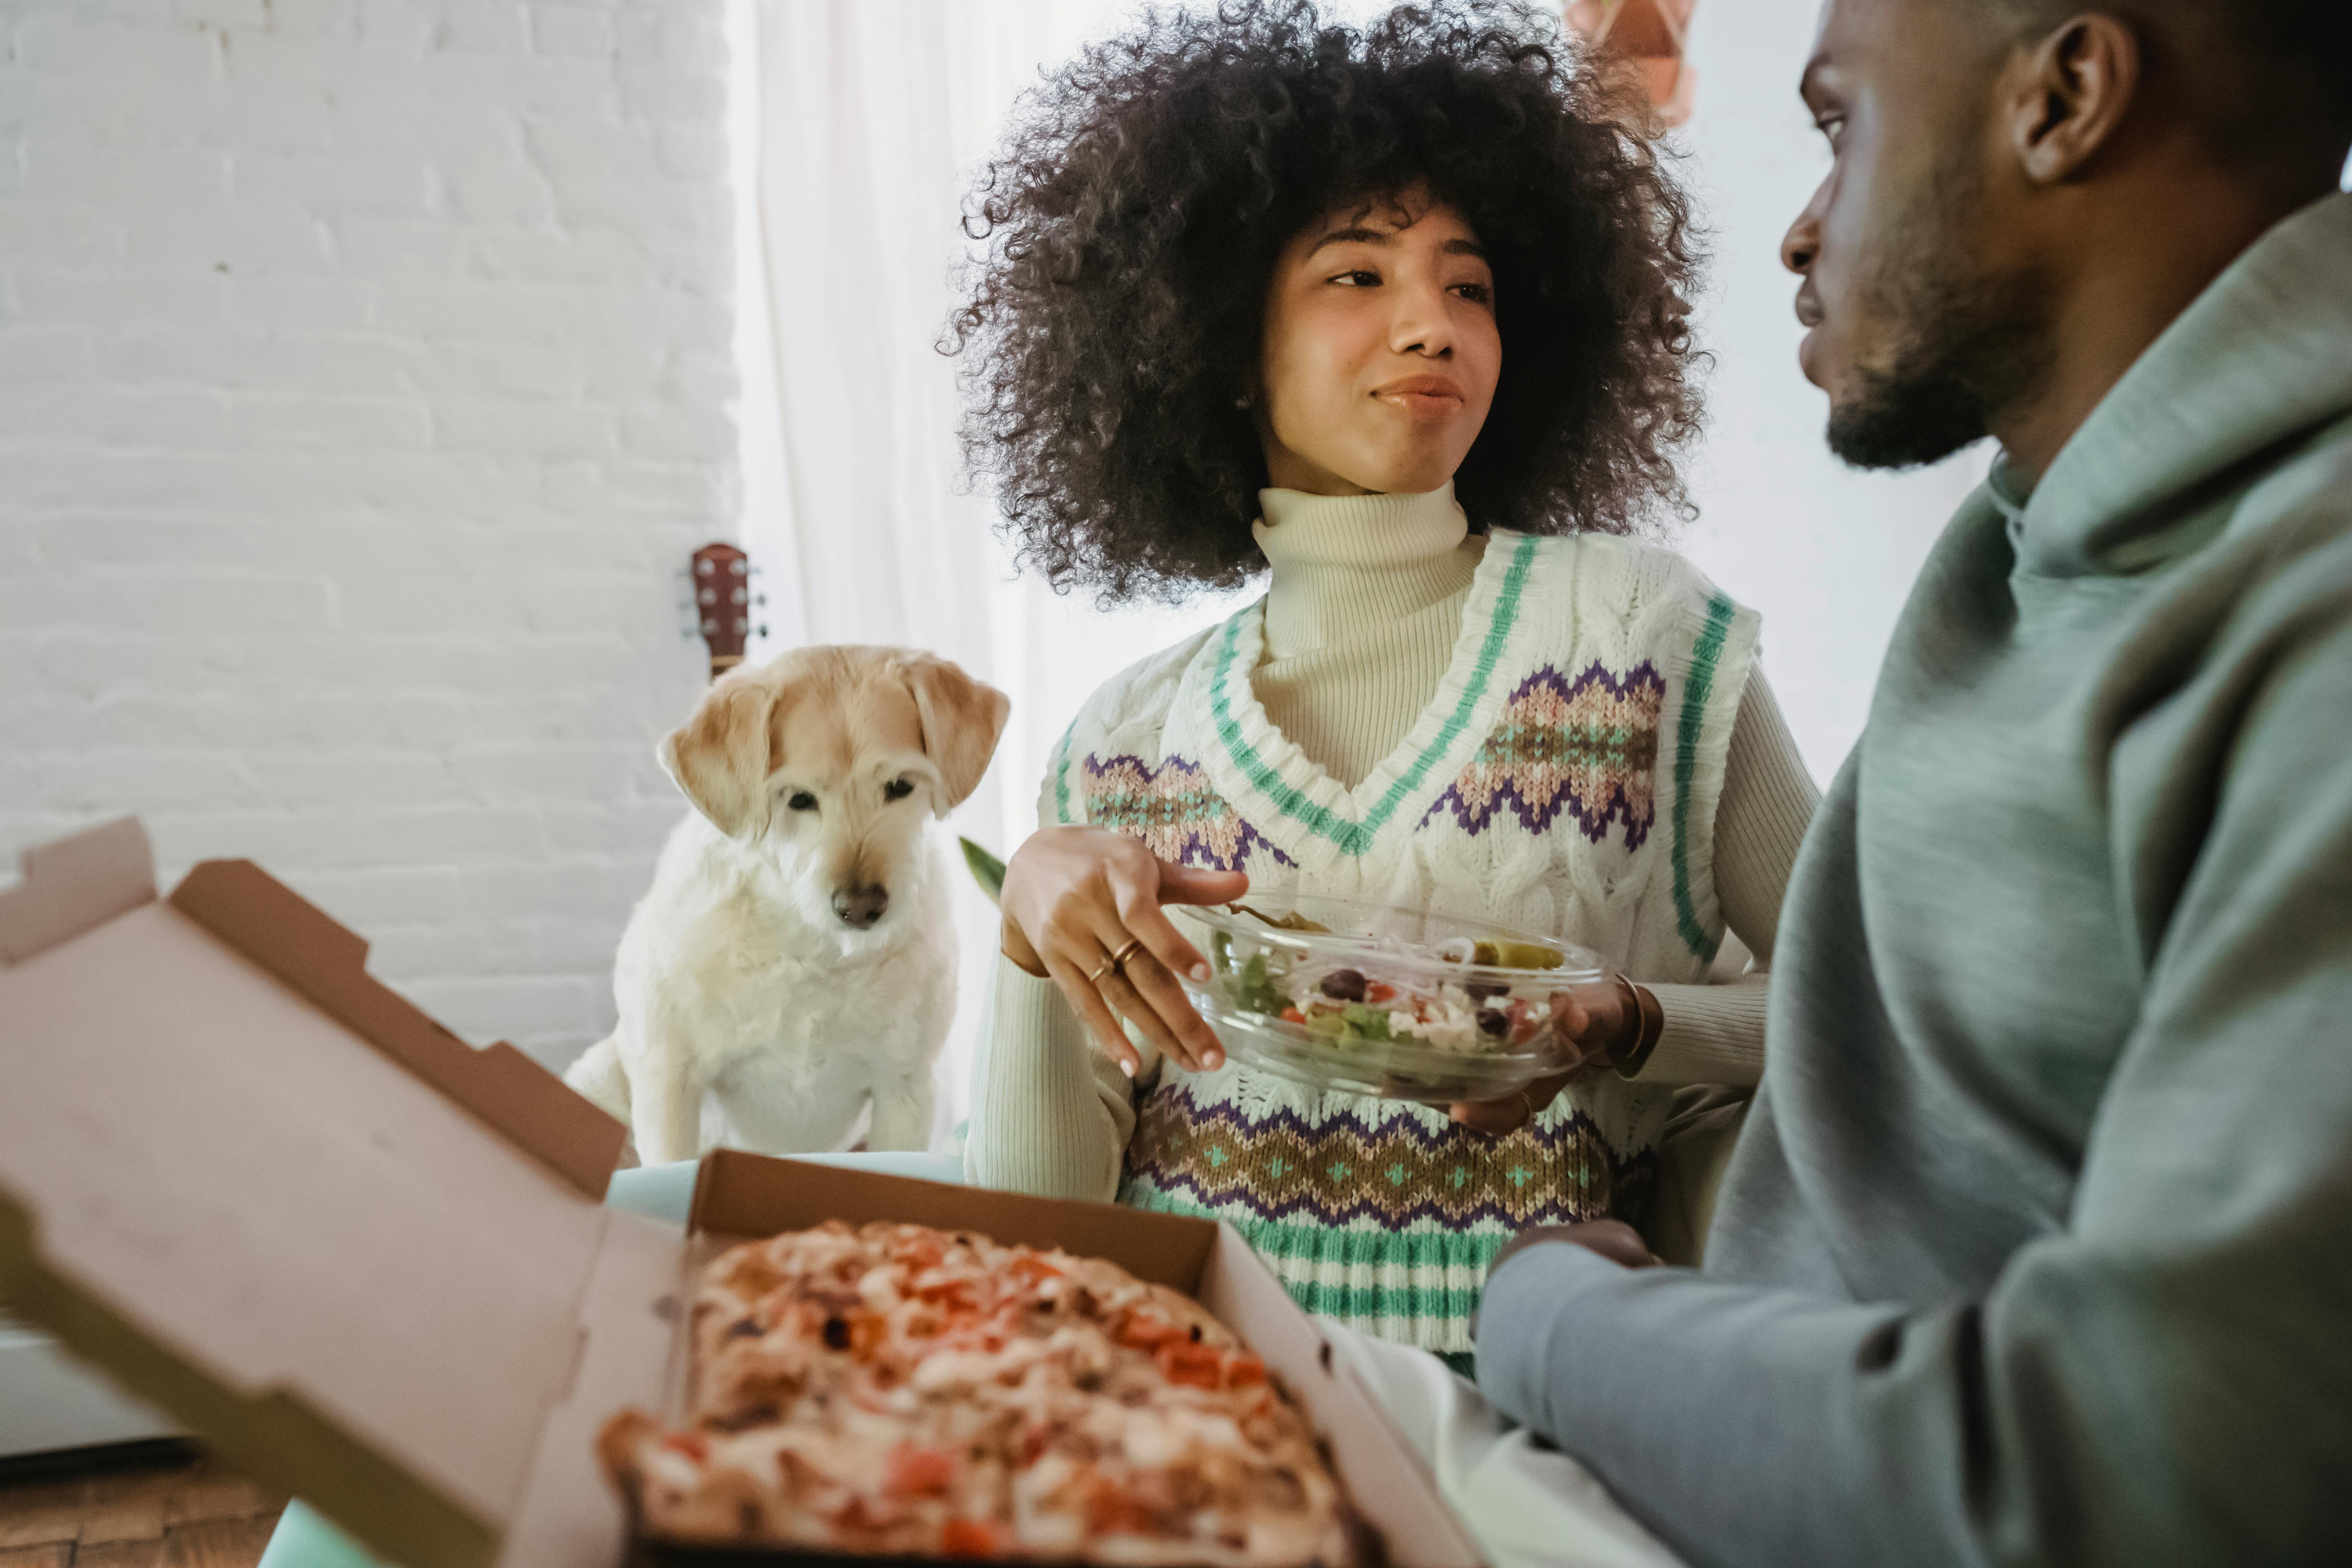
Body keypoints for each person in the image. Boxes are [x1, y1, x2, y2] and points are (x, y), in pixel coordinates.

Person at [1474, 0, 2352, 1562]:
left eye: (1840, 123)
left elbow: (2136, 1480)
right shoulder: (2026, 549)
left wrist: (1556, 1316)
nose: (1802, 233)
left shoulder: (2311, 627)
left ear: (2067, 93)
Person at [952, 0, 1820, 1364]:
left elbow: (1869, 998)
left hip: (1549, 1402)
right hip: (1199, 1408)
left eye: (1468, 286)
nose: (1433, 325)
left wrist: (1631, 1025)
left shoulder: (1647, 634)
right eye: (1358, 277)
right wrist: (1025, 933)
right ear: (1226, 349)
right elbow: (1038, 1236)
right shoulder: (1120, 743)